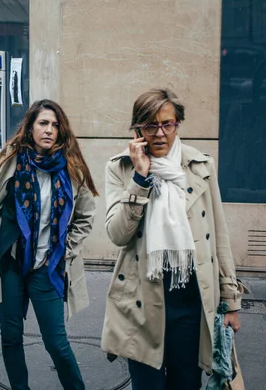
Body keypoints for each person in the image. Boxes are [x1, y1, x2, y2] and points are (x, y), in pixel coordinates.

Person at [101, 88, 245, 389]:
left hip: (190, 302)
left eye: (168, 124)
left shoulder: (201, 166)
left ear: (177, 124)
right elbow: (117, 234)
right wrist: (140, 180)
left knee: (186, 384)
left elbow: (218, 236)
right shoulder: (121, 168)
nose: (160, 133)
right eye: (151, 125)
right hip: (141, 301)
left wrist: (231, 300)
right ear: (138, 129)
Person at [0, 99, 98, 390]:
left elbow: (85, 217)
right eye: (43, 123)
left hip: (46, 269)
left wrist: (63, 252)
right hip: (10, 263)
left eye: (55, 125)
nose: (49, 130)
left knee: (57, 343)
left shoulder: (73, 169)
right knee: (10, 337)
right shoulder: (10, 162)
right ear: (31, 127)